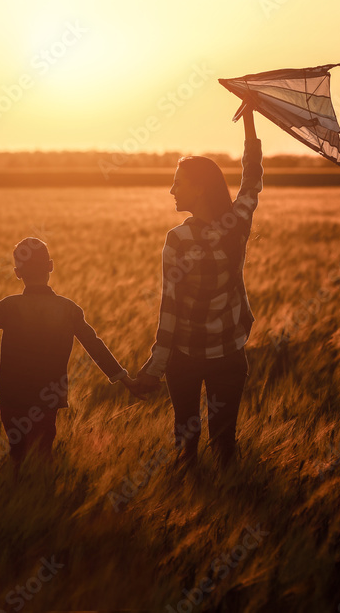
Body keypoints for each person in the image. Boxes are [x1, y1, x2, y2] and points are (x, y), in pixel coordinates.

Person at [0, 238, 144, 468]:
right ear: (50, 266)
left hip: (10, 395)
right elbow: (95, 345)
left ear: (17, 272)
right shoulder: (69, 309)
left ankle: (15, 492)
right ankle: (41, 491)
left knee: (17, 452)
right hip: (47, 397)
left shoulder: (7, 307)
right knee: (42, 453)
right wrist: (124, 379)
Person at [136, 109, 264, 468]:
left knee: (185, 448)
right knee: (225, 446)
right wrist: (251, 121)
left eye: (179, 182)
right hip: (229, 355)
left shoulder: (178, 239)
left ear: (201, 187)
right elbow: (252, 180)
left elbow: (170, 310)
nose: (172, 190)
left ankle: (192, 495)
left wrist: (154, 368)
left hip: (186, 359)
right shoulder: (236, 223)